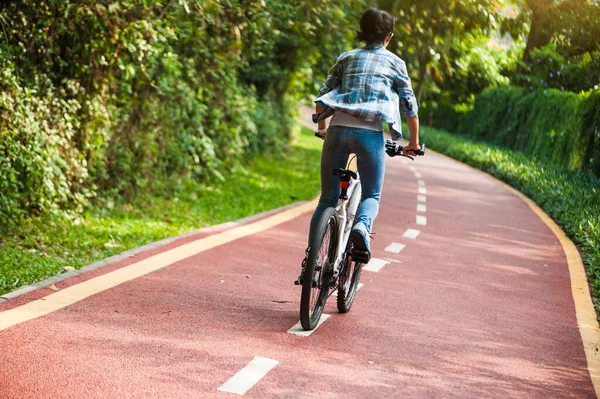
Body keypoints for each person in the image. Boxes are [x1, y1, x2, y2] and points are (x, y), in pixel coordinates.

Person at [306, 7, 420, 268]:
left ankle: (311, 262)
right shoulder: (395, 63)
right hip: (370, 134)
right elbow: (409, 106)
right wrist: (412, 143)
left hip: (337, 129)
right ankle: (361, 226)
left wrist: (323, 129)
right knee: (372, 194)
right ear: (388, 37)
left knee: (326, 200)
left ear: (362, 32)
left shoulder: (346, 57)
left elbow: (322, 96)